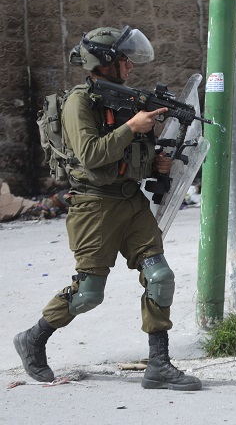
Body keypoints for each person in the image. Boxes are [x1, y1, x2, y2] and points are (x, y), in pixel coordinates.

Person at [13, 26, 202, 391]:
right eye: (124, 60)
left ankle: (159, 364)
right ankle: (33, 339)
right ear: (105, 62)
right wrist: (132, 126)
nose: (130, 66)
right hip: (94, 205)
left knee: (160, 277)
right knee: (89, 293)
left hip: (131, 201)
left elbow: (131, 156)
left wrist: (157, 163)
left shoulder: (127, 101)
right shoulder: (78, 103)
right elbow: (91, 155)